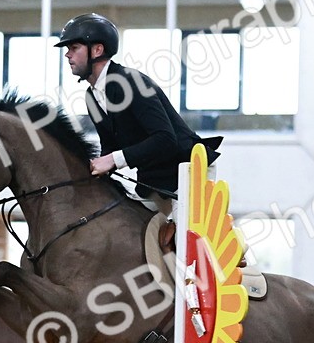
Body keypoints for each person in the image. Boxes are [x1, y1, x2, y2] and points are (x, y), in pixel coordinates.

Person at [55, 13, 221, 217]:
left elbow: (165, 139)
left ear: (97, 50)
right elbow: (110, 146)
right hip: (154, 178)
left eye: (73, 48)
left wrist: (113, 160)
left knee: (183, 242)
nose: (67, 55)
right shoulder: (91, 96)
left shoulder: (132, 82)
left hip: (188, 171)